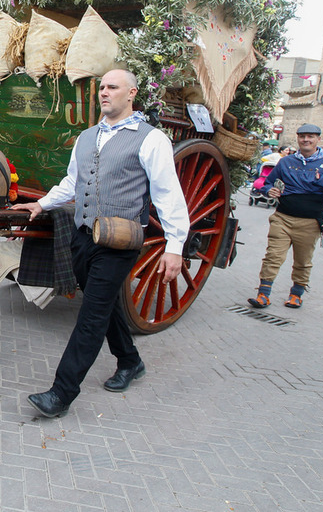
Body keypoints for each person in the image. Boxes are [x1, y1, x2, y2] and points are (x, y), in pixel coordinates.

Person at [11, 69, 190, 418]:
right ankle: (130, 361)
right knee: (102, 303)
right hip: (83, 236)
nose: (104, 93)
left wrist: (174, 246)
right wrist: (41, 203)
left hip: (119, 241)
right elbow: (71, 183)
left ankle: (61, 394)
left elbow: (169, 195)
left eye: (113, 87)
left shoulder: (151, 139)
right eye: (102, 88)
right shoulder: (87, 136)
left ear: (131, 93)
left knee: (91, 315)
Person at [248, 124, 323, 310]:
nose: (306, 140)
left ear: (318, 139)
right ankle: (263, 294)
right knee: (273, 256)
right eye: (302, 136)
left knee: (303, 261)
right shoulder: (286, 162)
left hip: (310, 222)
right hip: (282, 218)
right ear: (297, 138)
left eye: (310, 136)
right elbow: (267, 181)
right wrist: (268, 189)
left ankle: (296, 294)